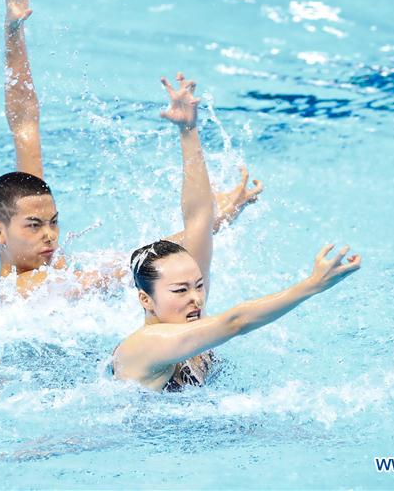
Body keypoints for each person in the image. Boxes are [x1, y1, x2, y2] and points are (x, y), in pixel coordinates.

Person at [0, 0, 263, 304]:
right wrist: (208, 224)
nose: (49, 235)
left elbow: (25, 124)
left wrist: (13, 31)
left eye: (54, 222)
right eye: (34, 225)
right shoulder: (13, 297)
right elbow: (134, 265)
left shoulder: (51, 267)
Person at [111, 72, 362, 391]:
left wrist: (188, 131)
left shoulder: (186, 321)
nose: (196, 298)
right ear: (146, 300)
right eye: (180, 290)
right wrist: (311, 286)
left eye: (198, 285)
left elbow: (199, 219)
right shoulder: (148, 344)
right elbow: (236, 322)